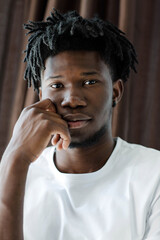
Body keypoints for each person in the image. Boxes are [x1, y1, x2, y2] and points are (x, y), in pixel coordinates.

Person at [0, 8, 160, 240]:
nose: (72, 100)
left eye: (89, 81)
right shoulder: (13, 174)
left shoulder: (154, 174)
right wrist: (15, 157)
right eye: (56, 85)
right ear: (40, 95)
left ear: (115, 91)